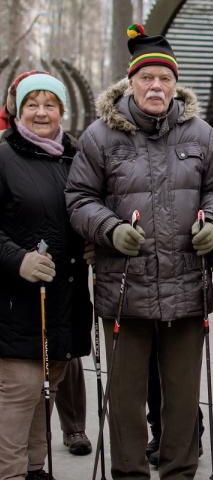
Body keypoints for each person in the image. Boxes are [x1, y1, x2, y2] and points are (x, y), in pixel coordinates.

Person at [66, 25, 213, 479]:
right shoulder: (100, 137)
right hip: (123, 292)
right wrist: (110, 230)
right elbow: (78, 199)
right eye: (147, 79)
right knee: (126, 400)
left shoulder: (202, 135)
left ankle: (180, 472)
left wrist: (211, 224)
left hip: (186, 288)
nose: (156, 86)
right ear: (131, 83)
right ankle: (129, 474)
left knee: (181, 399)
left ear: (176, 85)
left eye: (165, 79)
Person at [0, 72, 92, 480]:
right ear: (17, 110)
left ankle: (35, 470)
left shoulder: (72, 158)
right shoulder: (3, 156)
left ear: (61, 110)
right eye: (31, 104)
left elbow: (80, 212)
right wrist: (16, 259)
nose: (41, 112)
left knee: (44, 395)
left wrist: (91, 240)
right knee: (19, 397)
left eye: (49, 104)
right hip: (15, 308)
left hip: (60, 309)